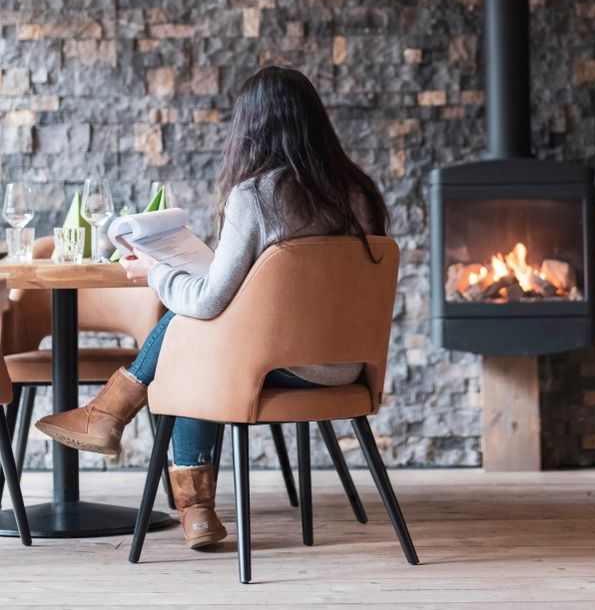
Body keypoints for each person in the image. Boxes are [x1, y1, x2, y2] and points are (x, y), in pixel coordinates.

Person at [36, 66, 388, 549]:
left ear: (251, 127)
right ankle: (111, 419)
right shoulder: (360, 192)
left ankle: (186, 499)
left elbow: (207, 301)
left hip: (281, 366)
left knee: (190, 346)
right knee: (198, 340)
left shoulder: (257, 195)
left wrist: (156, 274)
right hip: (347, 367)